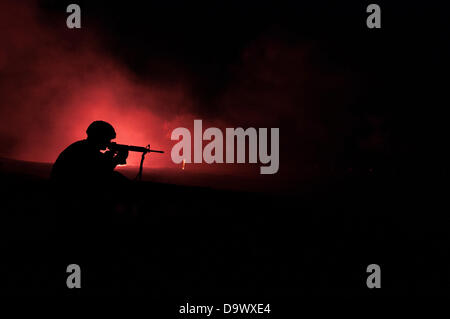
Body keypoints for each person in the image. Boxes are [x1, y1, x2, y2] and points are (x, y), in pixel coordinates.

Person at [50, 120, 128, 185]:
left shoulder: (83, 146)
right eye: (108, 139)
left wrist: (110, 157)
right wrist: (116, 159)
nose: (109, 142)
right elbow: (99, 173)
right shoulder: (83, 149)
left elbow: (100, 166)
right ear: (100, 137)